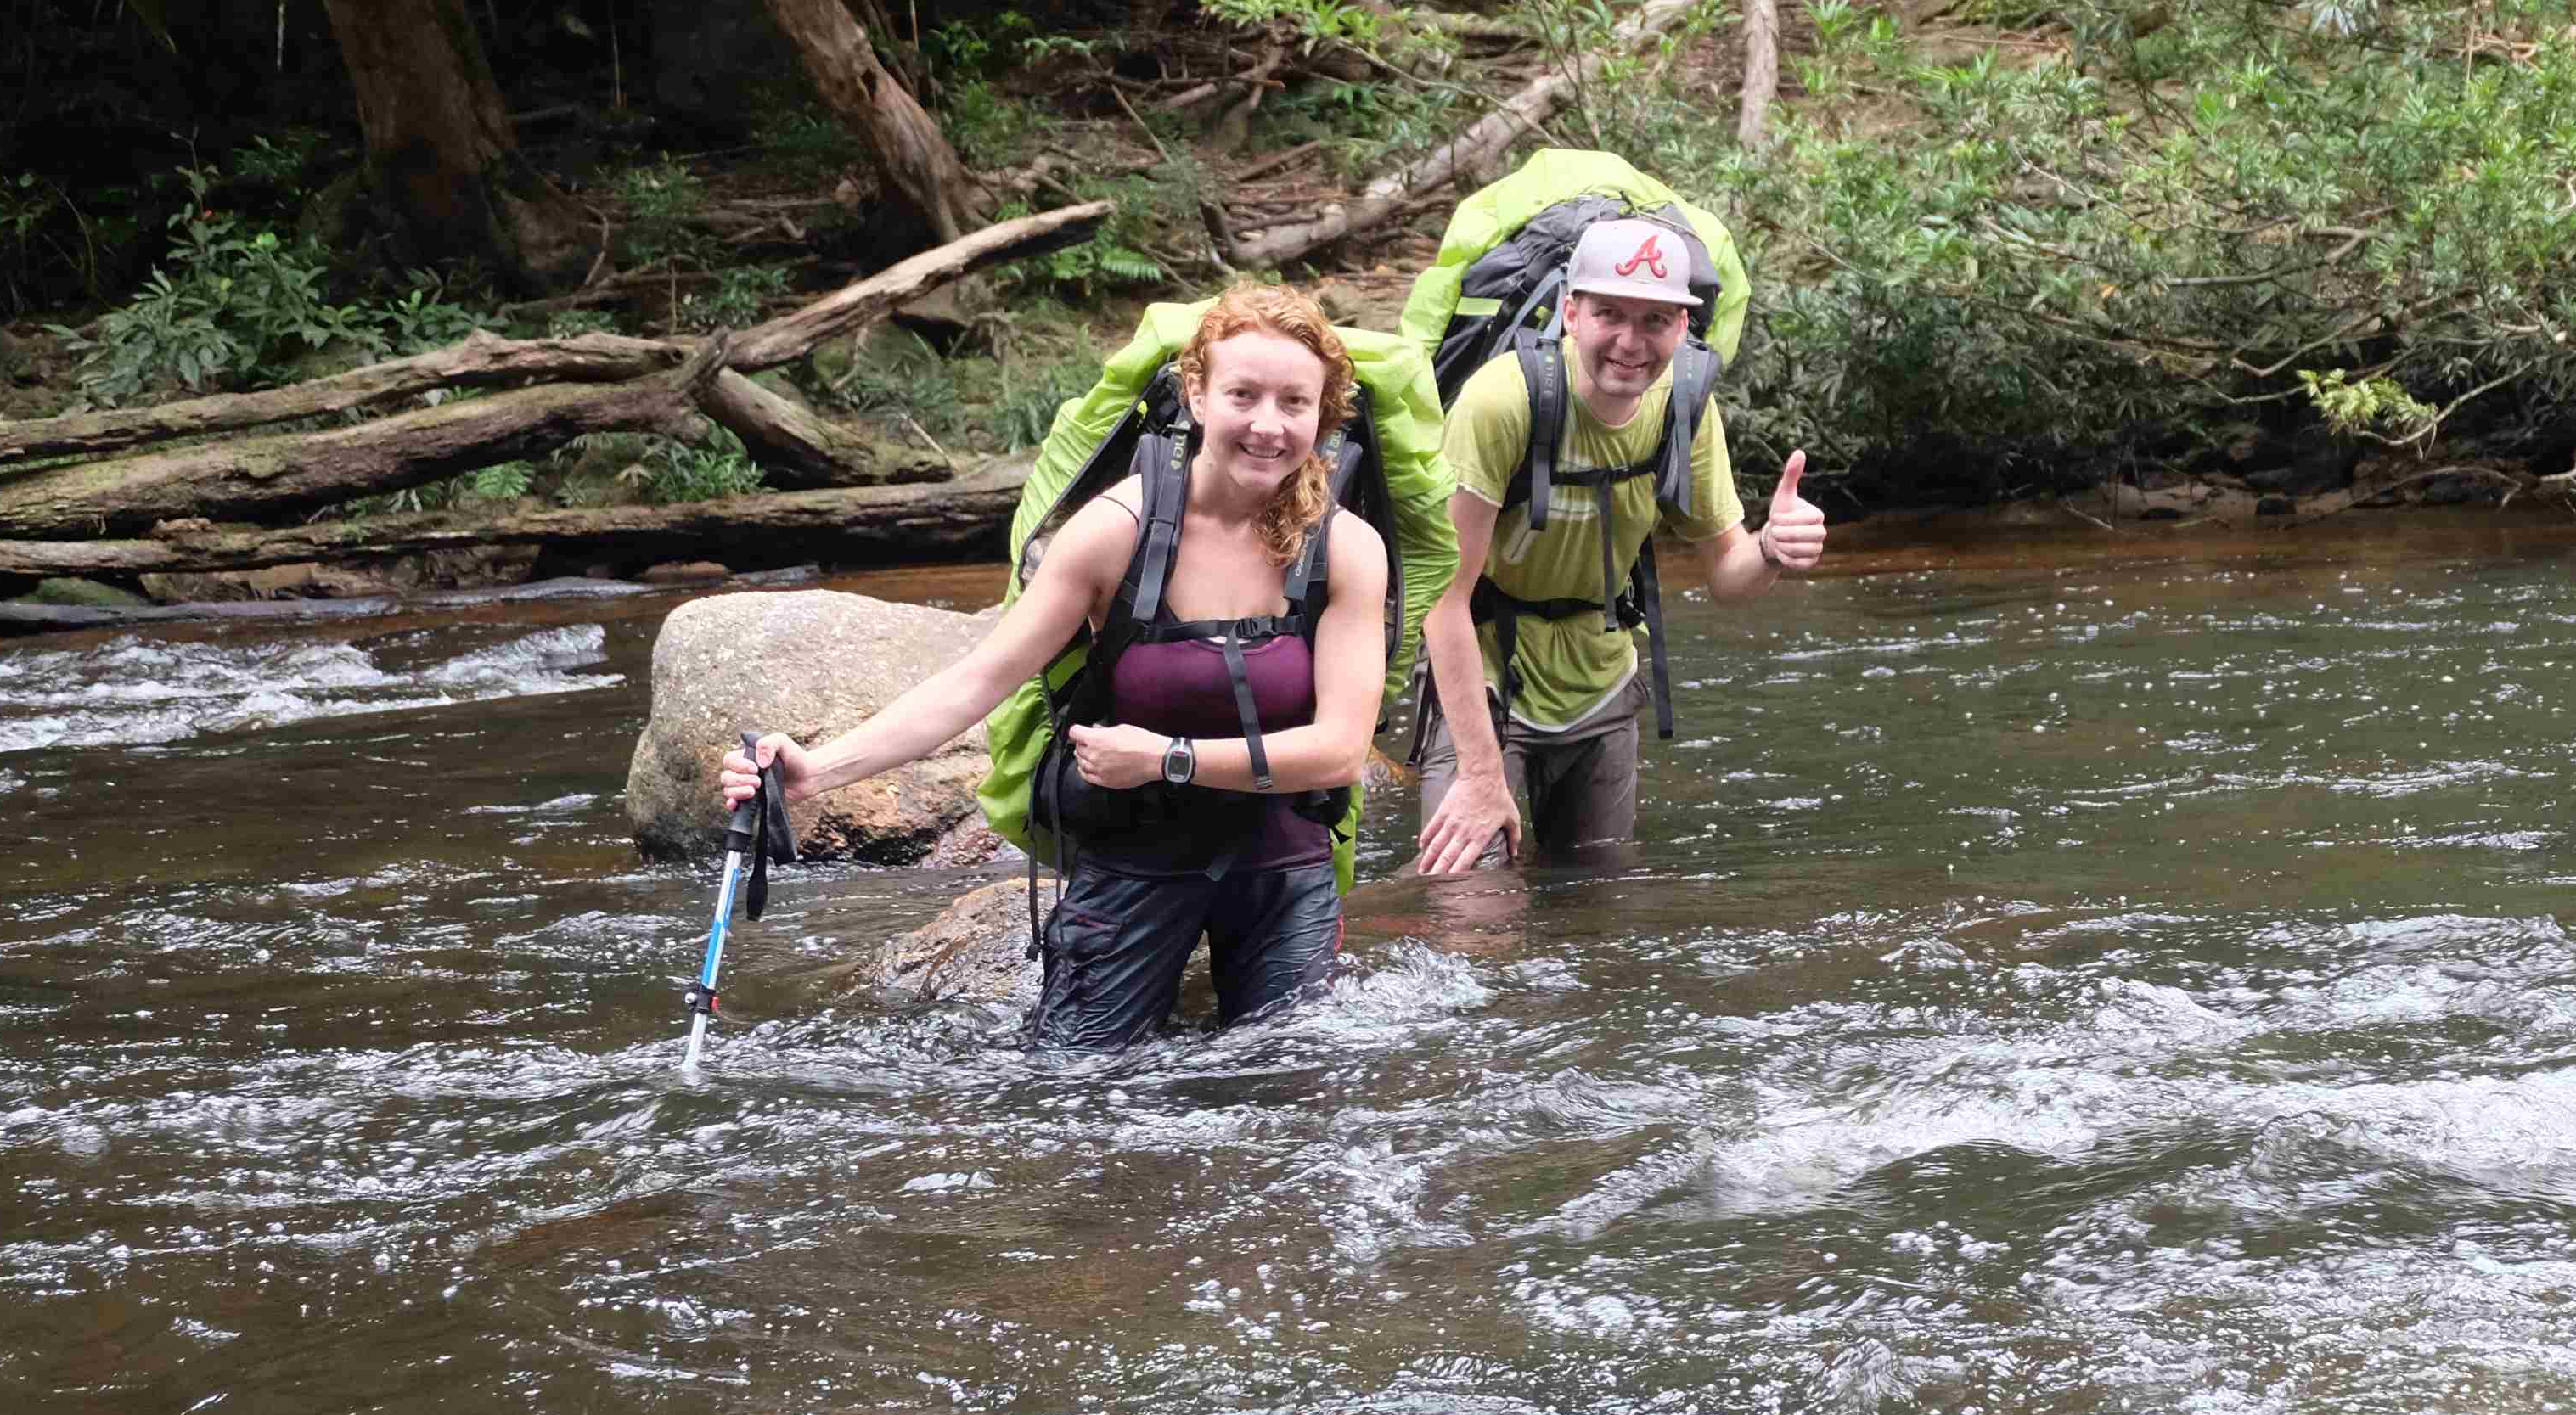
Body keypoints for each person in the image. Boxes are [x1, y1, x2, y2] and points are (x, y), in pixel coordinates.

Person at [720, 286, 1391, 1048]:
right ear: (1199, 394)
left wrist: (1166, 759)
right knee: (1076, 1087)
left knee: (1291, 1081)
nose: (1268, 425)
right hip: (1134, 865)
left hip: (1284, 873)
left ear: (1322, 415)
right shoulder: (1115, 533)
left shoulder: (1346, 547)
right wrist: (816, 772)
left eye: (1294, 402)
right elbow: (978, 681)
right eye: (1244, 395)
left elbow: (1340, 751)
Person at [1412, 217, 1827, 873]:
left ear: (1682, 327)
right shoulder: (1502, 402)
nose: (1630, 343)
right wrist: (1482, 775)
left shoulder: (1685, 407)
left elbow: (1729, 574)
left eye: (1654, 320)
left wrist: (1772, 546)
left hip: (1602, 680)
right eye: (1610, 314)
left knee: (1597, 906)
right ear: (1572, 314)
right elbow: (1444, 598)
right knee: (1467, 900)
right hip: (1488, 672)